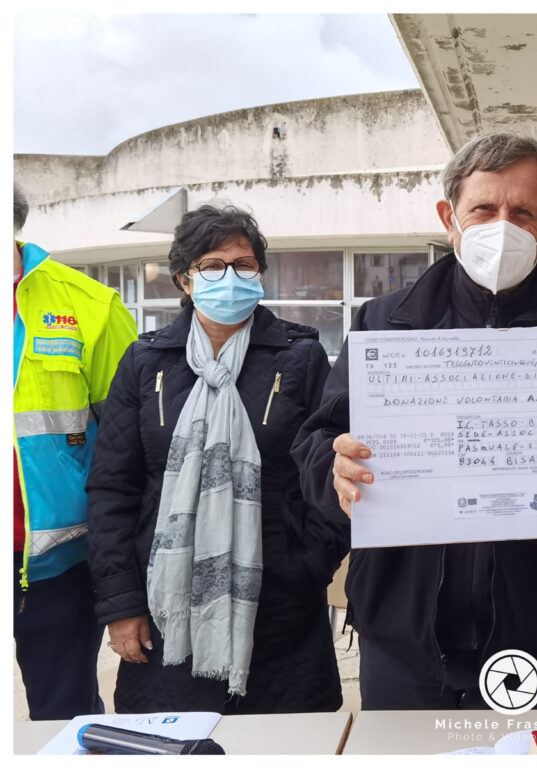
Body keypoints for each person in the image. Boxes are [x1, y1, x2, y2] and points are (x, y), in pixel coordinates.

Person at [292, 133, 537, 710]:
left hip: (534, 636)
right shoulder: (383, 326)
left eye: (523, 212)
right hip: (402, 632)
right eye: (484, 209)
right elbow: (316, 445)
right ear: (451, 219)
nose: (504, 226)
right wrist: (334, 469)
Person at [86, 204, 348, 714]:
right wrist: (121, 605)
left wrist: (308, 567)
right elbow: (112, 488)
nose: (229, 277)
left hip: (280, 609)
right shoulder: (147, 363)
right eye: (212, 265)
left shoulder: (300, 357)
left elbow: (326, 475)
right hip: (166, 616)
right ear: (184, 279)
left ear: (260, 274)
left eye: (243, 264)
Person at [13, 180, 138, 719]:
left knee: (64, 726)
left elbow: (134, 452)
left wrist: (124, 584)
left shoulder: (89, 306)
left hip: (56, 573)